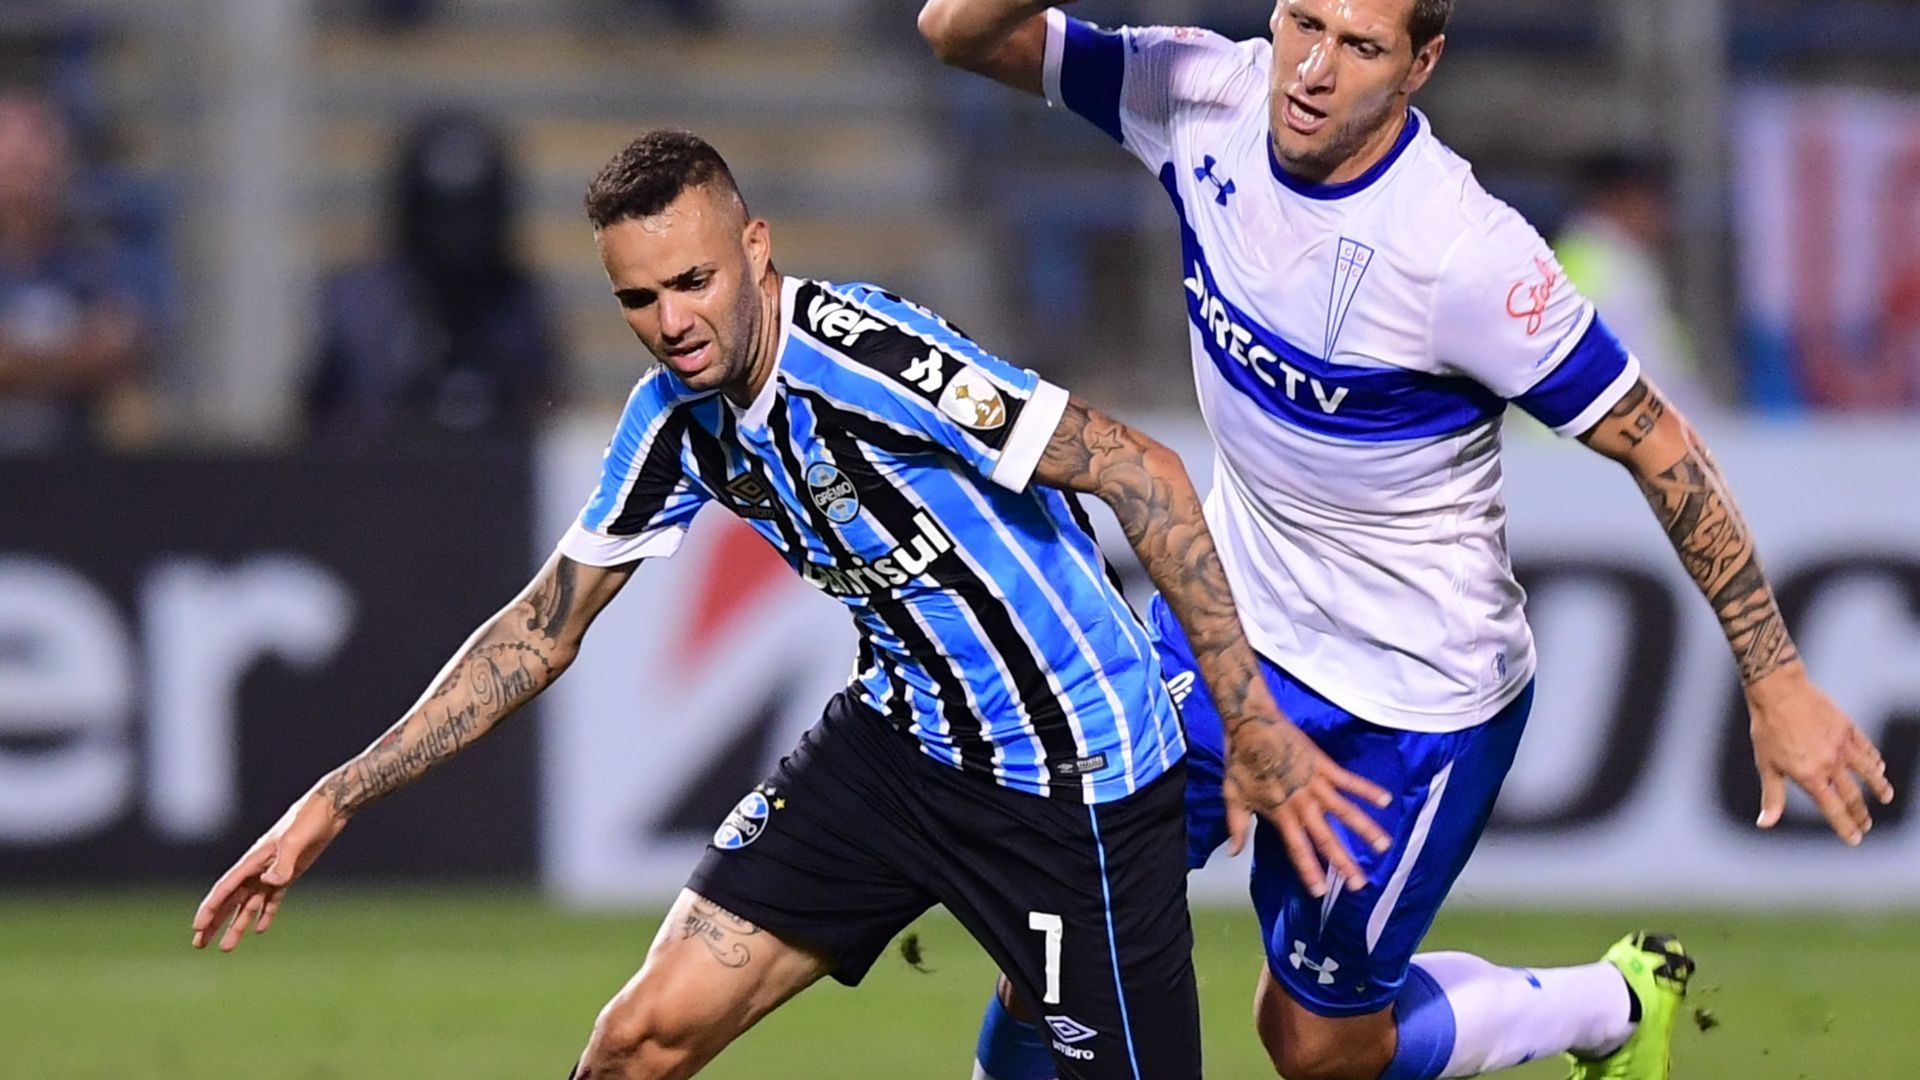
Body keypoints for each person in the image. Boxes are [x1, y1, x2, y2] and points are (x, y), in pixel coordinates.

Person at [191, 129, 1392, 1080]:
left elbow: (1144, 471)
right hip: (898, 752)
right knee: (636, 1043)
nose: (672, 323)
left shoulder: (874, 360)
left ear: (757, 248)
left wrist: (1248, 726)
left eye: (695, 282)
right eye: (639, 298)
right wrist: (335, 796)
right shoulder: (672, 419)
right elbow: (542, 628)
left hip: (1073, 786)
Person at [917, 2, 1897, 1079]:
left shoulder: (1461, 255)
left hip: (1411, 698)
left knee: (1316, 1048)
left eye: (1361, 46)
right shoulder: (1198, 96)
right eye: (1302, 22)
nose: (1313, 69)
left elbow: (1659, 445)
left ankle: (1609, 1005)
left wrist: (1778, 676)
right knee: (1053, 929)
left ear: (1420, 64)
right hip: (1227, 634)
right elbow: (958, 32)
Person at [306, 110, 558, 443]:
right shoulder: (357, 311)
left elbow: (549, 427)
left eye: (473, 218)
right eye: (442, 218)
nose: (457, 241)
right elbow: (315, 439)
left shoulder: (520, 309)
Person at [0, 91, 146, 453]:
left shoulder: (94, 257)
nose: (26, 181)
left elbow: (124, 347)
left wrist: (21, 362)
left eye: (35, 165)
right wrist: (72, 358)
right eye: (14, 167)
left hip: (74, 469)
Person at [1553, 152, 1713, 421]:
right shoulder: (1614, 270)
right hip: (1592, 448)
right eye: (1655, 202)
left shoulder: (1575, 257)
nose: (1663, 216)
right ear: (1622, 200)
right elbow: (1651, 375)